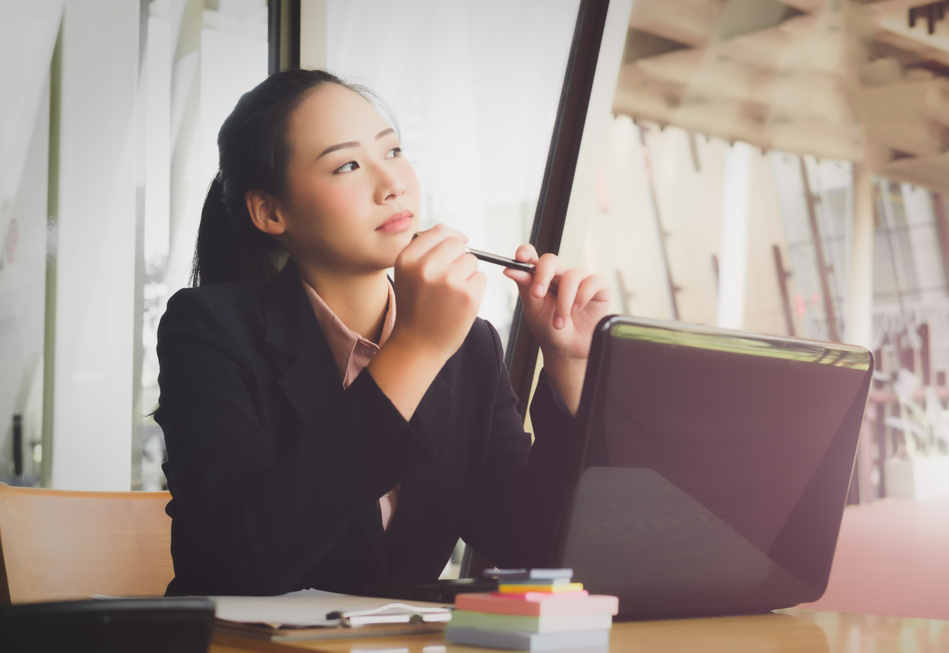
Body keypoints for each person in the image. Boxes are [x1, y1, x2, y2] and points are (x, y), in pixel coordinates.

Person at [155, 69, 610, 597]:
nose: (392, 183)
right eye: (347, 164)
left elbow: (537, 547)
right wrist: (416, 348)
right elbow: (247, 560)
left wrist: (572, 366)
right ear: (270, 211)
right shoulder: (206, 329)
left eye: (392, 152)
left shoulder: (471, 347)